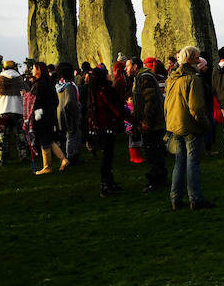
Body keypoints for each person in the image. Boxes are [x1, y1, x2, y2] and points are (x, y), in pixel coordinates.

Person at [165, 46, 216, 210]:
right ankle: (195, 198)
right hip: (190, 127)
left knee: (179, 162)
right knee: (193, 163)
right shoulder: (193, 79)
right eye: (196, 58)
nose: (198, 60)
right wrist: (205, 125)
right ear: (189, 59)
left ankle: (175, 198)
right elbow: (196, 108)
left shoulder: (172, 78)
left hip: (175, 125)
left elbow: (167, 104)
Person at [86, 66, 127, 197]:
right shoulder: (105, 90)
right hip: (105, 127)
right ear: (103, 76)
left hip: (98, 127)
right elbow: (117, 108)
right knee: (107, 158)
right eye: (107, 74)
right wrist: (133, 121)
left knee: (107, 156)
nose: (110, 75)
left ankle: (109, 182)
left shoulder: (94, 90)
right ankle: (105, 185)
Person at [129, 57, 168, 192]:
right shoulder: (141, 77)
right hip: (151, 122)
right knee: (154, 151)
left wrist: (146, 121)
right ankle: (160, 178)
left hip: (152, 123)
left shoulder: (144, 78)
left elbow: (150, 100)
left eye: (128, 66)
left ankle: (156, 180)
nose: (126, 69)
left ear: (135, 66)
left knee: (153, 152)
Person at [29, 62, 70, 175]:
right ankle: (63, 159)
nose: (32, 71)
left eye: (33, 68)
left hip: (41, 116)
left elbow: (35, 101)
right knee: (49, 139)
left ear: (38, 71)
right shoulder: (48, 83)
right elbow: (55, 100)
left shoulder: (39, 85)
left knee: (44, 140)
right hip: (50, 115)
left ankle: (47, 166)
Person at [0, 59, 28, 164]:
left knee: (3, 135)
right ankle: (23, 156)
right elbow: (26, 93)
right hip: (18, 109)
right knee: (20, 135)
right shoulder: (20, 79)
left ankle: (1, 158)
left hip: (3, 110)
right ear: (14, 68)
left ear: (4, 68)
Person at [55, 63, 82, 165]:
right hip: (69, 114)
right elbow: (70, 102)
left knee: (69, 136)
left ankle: (71, 155)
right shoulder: (69, 86)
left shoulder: (59, 86)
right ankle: (71, 157)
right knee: (72, 135)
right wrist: (76, 111)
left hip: (61, 114)